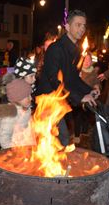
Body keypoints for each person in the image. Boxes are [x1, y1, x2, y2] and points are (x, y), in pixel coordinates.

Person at [36, 10, 98, 146]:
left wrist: (89, 90)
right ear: (68, 27)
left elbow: (73, 78)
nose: (82, 29)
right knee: (56, 140)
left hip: (59, 102)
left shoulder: (75, 50)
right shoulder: (56, 48)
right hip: (47, 102)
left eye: (84, 26)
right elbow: (54, 80)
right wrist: (78, 97)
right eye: (78, 25)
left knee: (60, 140)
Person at [0, 79, 35, 149]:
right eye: (27, 96)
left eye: (30, 95)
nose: (31, 98)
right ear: (16, 98)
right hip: (15, 152)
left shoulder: (27, 110)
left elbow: (29, 131)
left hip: (27, 150)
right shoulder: (10, 117)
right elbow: (4, 140)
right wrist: (15, 150)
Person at [73, 53, 102, 144]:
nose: (87, 62)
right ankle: (77, 135)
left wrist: (97, 87)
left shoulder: (94, 72)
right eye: (85, 60)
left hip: (89, 98)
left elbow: (97, 82)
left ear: (92, 62)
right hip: (79, 98)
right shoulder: (77, 70)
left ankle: (84, 134)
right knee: (78, 116)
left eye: (89, 60)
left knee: (86, 117)